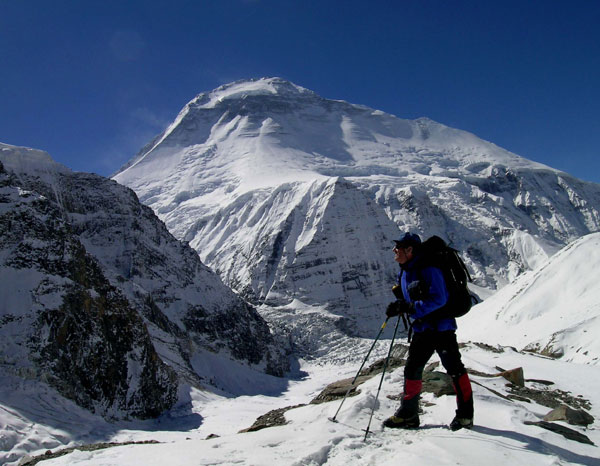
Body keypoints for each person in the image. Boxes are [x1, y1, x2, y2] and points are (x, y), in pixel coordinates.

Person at [383, 232, 474, 431]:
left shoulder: (429, 268)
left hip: (441, 328)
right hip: (423, 328)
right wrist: (400, 306)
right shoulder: (406, 270)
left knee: (455, 370)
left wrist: (410, 308)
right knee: (412, 369)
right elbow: (413, 298)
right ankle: (408, 414)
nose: (394, 250)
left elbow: (439, 299)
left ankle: (465, 416)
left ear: (409, 250)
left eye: (398, 247)